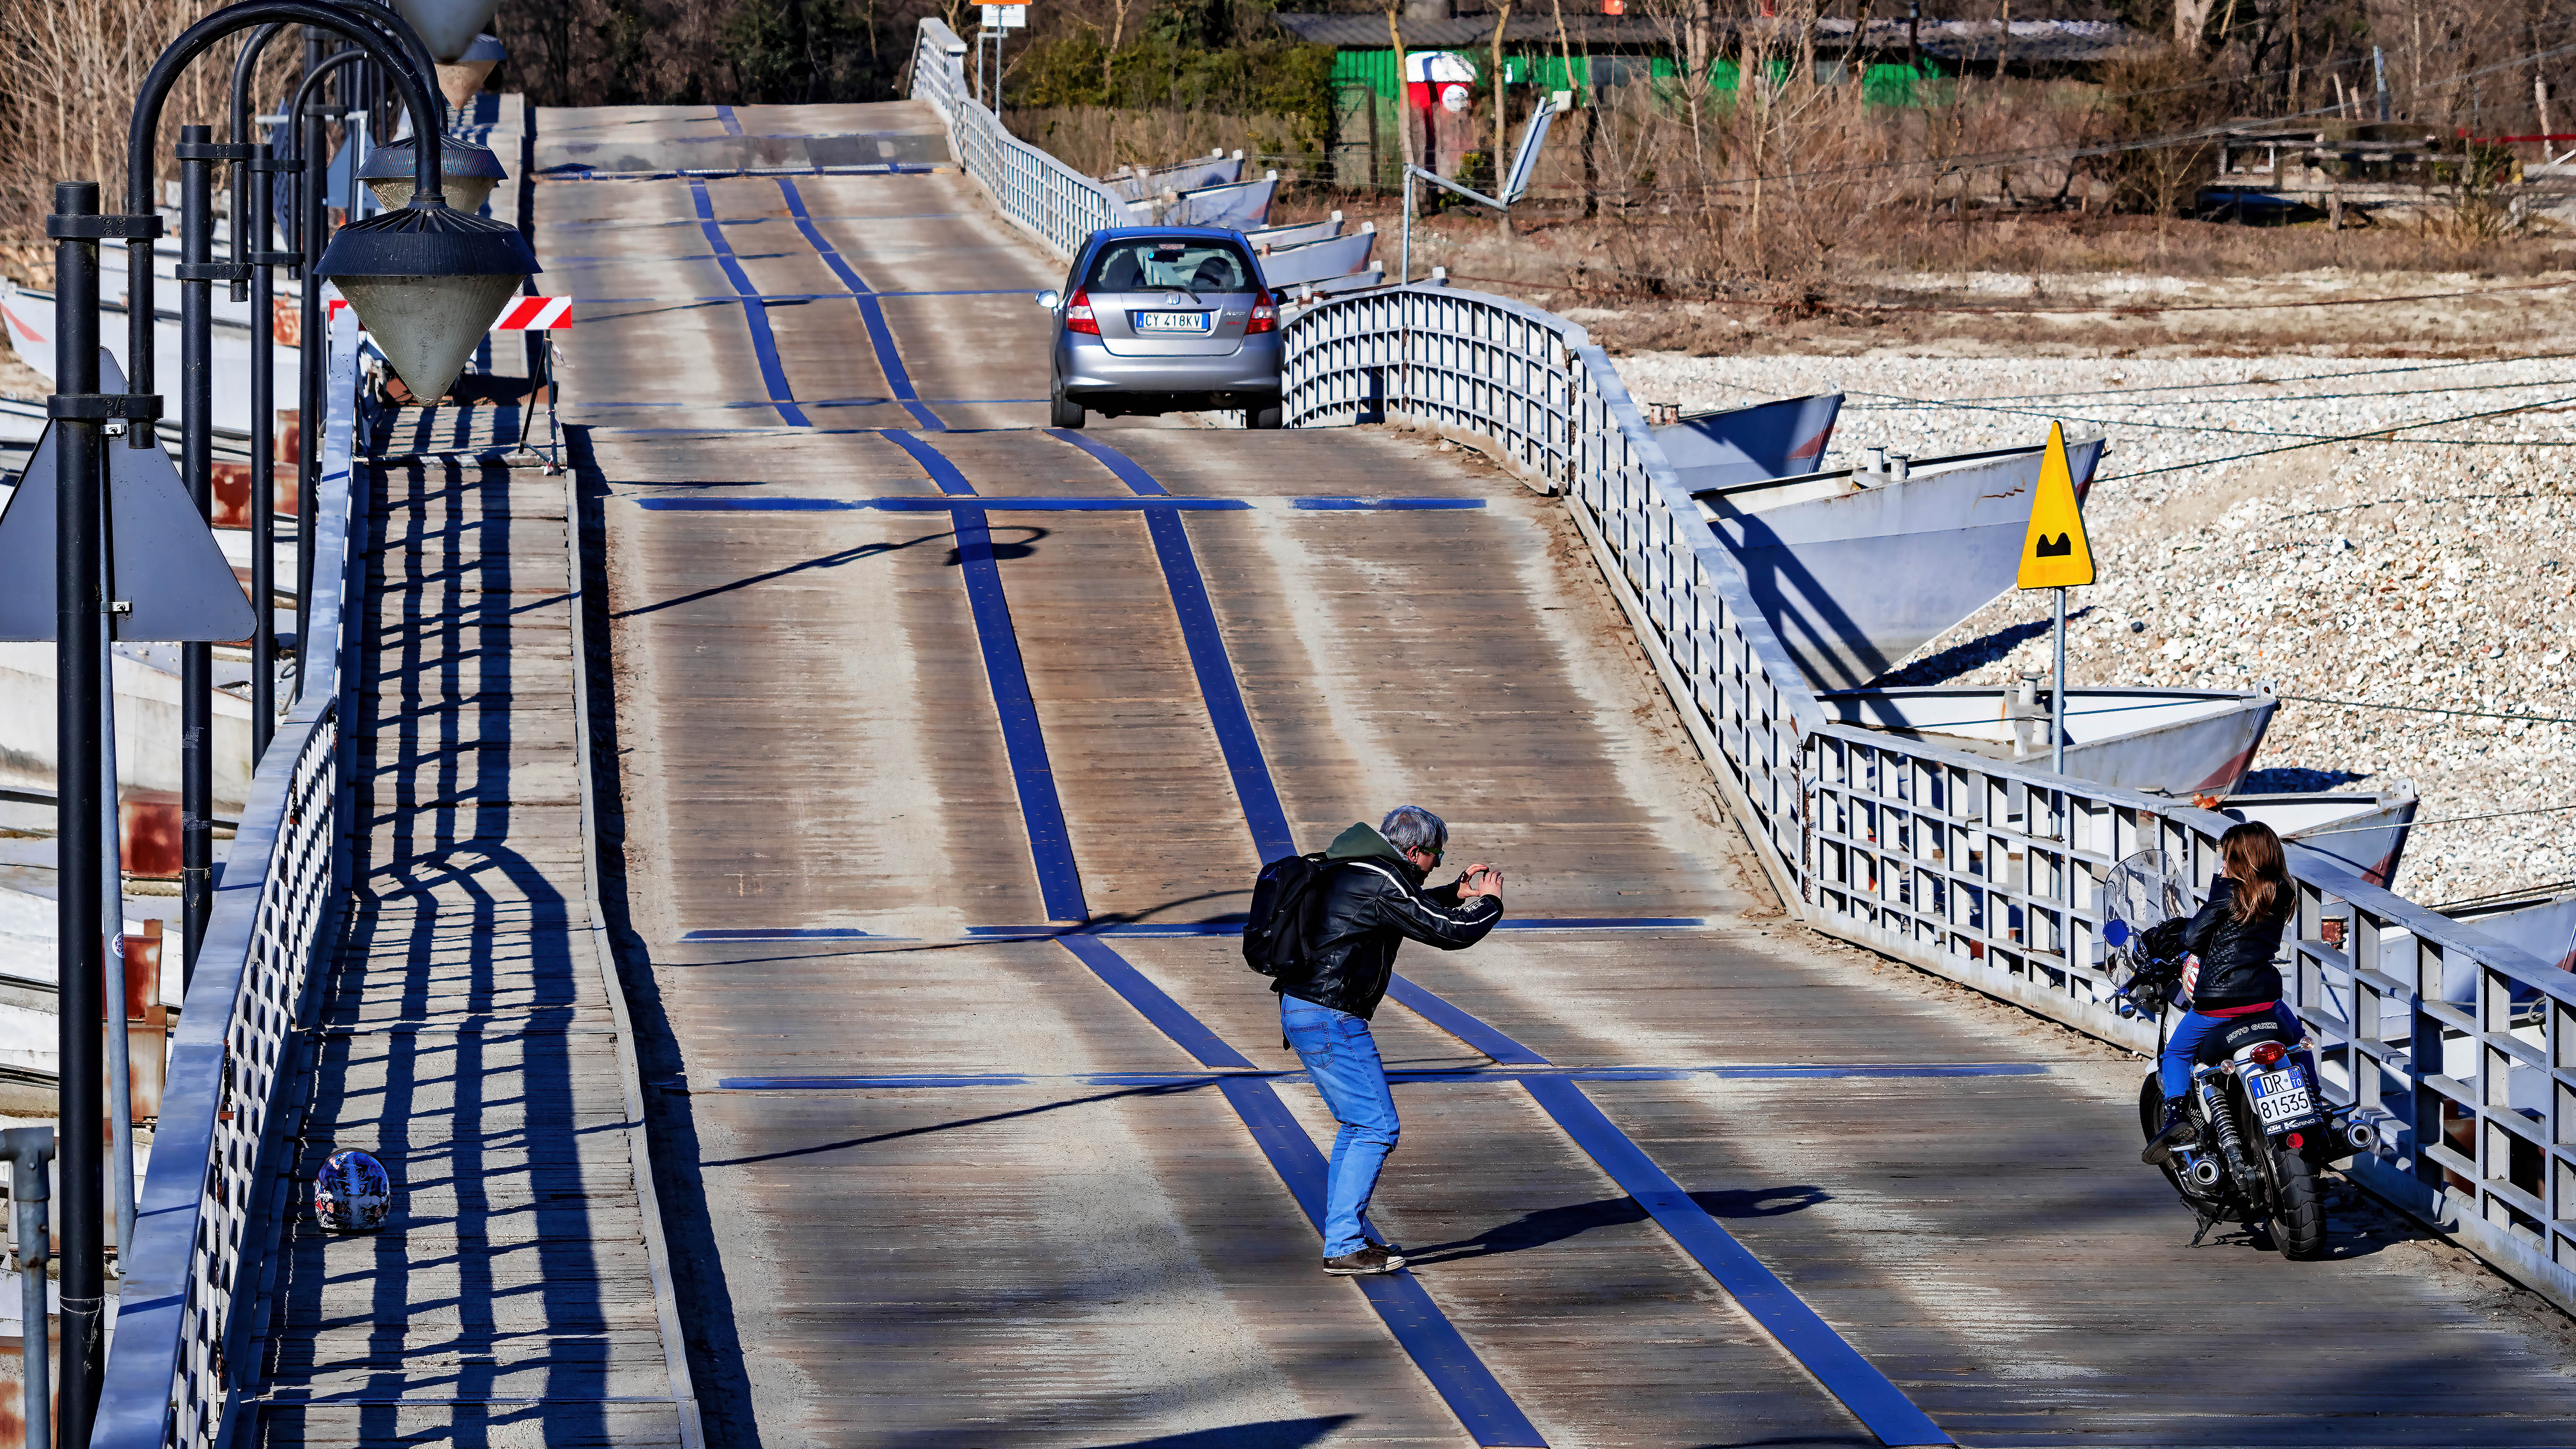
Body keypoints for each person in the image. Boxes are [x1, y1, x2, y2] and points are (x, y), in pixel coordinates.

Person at [1279, 805, 1504, 1275]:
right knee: (1378, 1127)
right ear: (1416, 851)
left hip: (1304, 1008)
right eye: (1436, 857)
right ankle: (1343, 1248)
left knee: (1359, 1126)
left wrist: (1452, 892)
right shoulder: (1383, 877)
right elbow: (1450, 932)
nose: (1436, 865)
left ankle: (1346, 1239)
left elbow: (1407, 910)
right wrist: (1487, 903)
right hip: (1331, 1017)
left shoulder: (1350, 865)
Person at [2143, 820, 2303, 1165]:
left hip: (2219, 1004)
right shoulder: (2283, 892)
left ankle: (2175, 1116)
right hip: (2265, 999)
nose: (2223, 864)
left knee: (2176, 1053)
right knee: (2297, 1039)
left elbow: (2191, 939)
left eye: (2227, 858)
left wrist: (2221, 884)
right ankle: (2313, 1100)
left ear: (2242, 861)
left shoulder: (2229, 894)